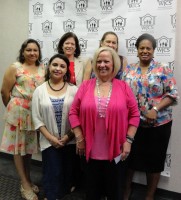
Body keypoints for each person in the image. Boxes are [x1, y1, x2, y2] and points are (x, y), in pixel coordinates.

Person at [69, 46, 140, 200]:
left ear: (113, 64)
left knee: (115, 192)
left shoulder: (123, 87)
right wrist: (79, 137)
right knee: (92, 192)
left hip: (116, 151)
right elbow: (73, 112)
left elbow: (135, 115)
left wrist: (128, 141)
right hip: (89, 151)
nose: (102, 65)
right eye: (99, 61)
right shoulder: (86, 86)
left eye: (106, 61)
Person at [122, 33, 179, 200]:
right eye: (141, 48)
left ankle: (149, 195)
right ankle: (126, 190)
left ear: (154, 50)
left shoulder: (163, 69)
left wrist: (155, 108)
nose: (145, 51)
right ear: (137, 50)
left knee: (154, 161)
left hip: (159, 124)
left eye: (148, 48)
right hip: (132, 124)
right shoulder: (129, 69)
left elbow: (173, 94)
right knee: (129, 159)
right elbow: (122, 93)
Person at [0, 39, 45, 200]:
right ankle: (24, 184)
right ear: (23, 51)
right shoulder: (15, 67)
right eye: (29, 50)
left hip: (34, 114)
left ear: (39, 52)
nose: (32, 53)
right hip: (18, 113)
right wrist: (13, 108)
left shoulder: (42, 68)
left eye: (35, 50)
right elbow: (4, 92)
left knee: (28, 148)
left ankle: (27, 179)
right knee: (18, 149)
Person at [32, 54, 78, 200]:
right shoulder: (39, 90)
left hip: (69, 140)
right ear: (49, 67)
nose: (58, 68)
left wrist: (67, 137)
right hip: (49, 141)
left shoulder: (74, 90)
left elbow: (79, 116)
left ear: (67, 70)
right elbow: (37, 119)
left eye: (62, 66)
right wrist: (52, 139)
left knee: (66, 173)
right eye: (55, 65)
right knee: (52, 172)